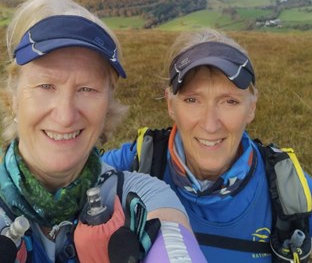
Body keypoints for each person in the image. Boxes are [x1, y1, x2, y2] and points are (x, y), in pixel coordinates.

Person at [0, 0, 207, 263]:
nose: (65, 116)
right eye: (45, 86)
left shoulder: (142, 197)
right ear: (13, 98)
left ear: (108, 105)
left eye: (87, 89)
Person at [103, 28, 312, 263]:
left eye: (229, 101)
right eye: (192, 100)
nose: (210, 125)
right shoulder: (132, 166)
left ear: (252, 107)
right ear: (171, 104)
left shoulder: (292, 194)